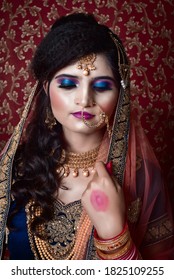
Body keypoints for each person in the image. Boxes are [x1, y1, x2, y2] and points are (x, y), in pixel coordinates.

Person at [0, 12, 173, 260]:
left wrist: (113, 232)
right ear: (46, 88)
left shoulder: (140, 177)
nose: (84, 99)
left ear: (120, 95)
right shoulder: (15, 168)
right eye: (68, 84)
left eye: (102, 86)